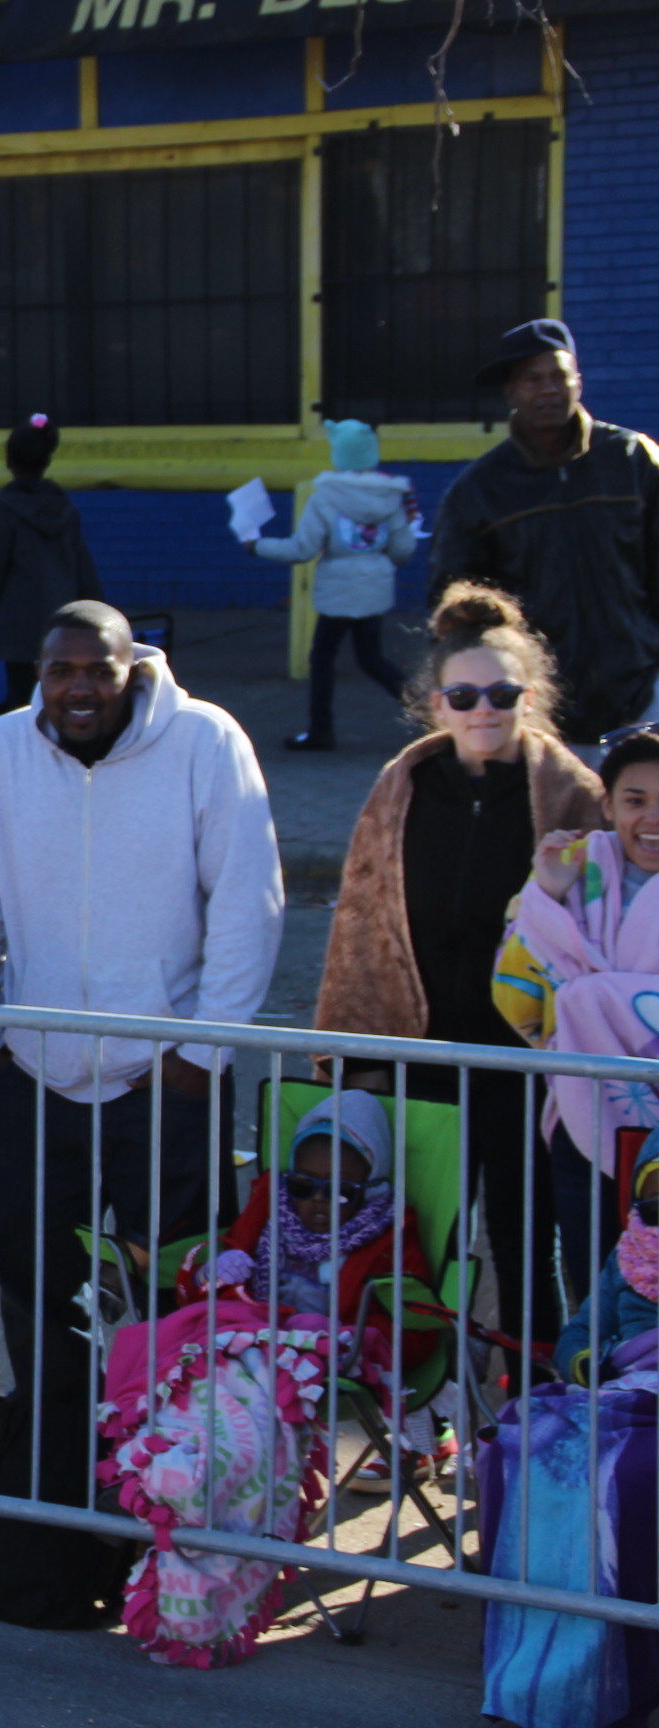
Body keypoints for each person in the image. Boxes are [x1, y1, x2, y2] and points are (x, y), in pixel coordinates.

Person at [0, 598, 283, 1627]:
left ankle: (173, 1498)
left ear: (136, 668)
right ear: (37, 674)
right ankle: (53, 1489)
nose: (78, 688)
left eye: (98, 669)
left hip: (162, 1084)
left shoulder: (208, 743)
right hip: (33, 1077)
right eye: (59, 671)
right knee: (33, 1276)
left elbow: (248, 902)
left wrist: (201, 1048)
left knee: (178, 1293)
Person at [316, 584, 598, 1361]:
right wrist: (357, 1057)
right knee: (422, 1246)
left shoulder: (575, 796)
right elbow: (363, 928)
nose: (485, 709)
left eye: (503, 694)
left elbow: (596, 940)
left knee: (526, 1247)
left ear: (530, 699)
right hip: (425, 1060)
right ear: (436, 704)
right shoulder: (400, 790)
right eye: (465, 695)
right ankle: (417, 1412)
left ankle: (530, 1411)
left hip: (528, 1070)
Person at [101, 1092, 434, 1668]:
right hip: (247, 1336)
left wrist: (359, 1330)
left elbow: (419, 1324)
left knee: (252, 1403)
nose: (317, 1203)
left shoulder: (389, 1231)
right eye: (304, 1185)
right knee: (197, 1379)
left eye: (341, 1191)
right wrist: (214, 1272)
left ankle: (176, 1484)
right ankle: (175, 1471)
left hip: (319, 1358)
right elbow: (222, 1266)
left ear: (373, 1185)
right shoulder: (270, 1204)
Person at [477, 1140, 659, 1728]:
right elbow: (576, 1338)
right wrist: (597, 1361)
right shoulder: (629, 1254)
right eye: (655, 1205)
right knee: (521, 1447)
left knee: (625, 1475)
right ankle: (532, 1670)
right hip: (625, 1388)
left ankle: (623, 1668)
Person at [433, 319, 659, 744]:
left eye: (559, 375)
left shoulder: (632, 460)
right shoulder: (479, 491)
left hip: (645, 694)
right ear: (511, 392)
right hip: (540, 710)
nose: (549, 389)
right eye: (533, 379)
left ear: (578, 380)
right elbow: (455, 608)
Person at [492, 726, 659, 1296]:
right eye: (635, 801)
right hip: (579, 1111)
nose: (652, 820)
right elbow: (516, 994)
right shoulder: (576, 866)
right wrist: (547, 893)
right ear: (608, 805)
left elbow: (566, 998)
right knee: (592, 1278)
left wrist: (590, 998)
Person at [248, 419, 414, 752]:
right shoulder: (392, 496)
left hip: (337, 590)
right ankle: (431, 713)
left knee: (322, 658)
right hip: (374, 589)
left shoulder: (325, 497)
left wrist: (257, 545)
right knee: (372, 659)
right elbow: (403, 551)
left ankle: (320, 731)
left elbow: (302, 549)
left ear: (339, 454)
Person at [0, 413, 101, 716]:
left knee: (23, 703)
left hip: (17, 630)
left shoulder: (1, 511)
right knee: (59, 701)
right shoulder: (66, 509)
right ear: (48, 460)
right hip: (63, 626)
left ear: (9, 462)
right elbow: (84, 571)